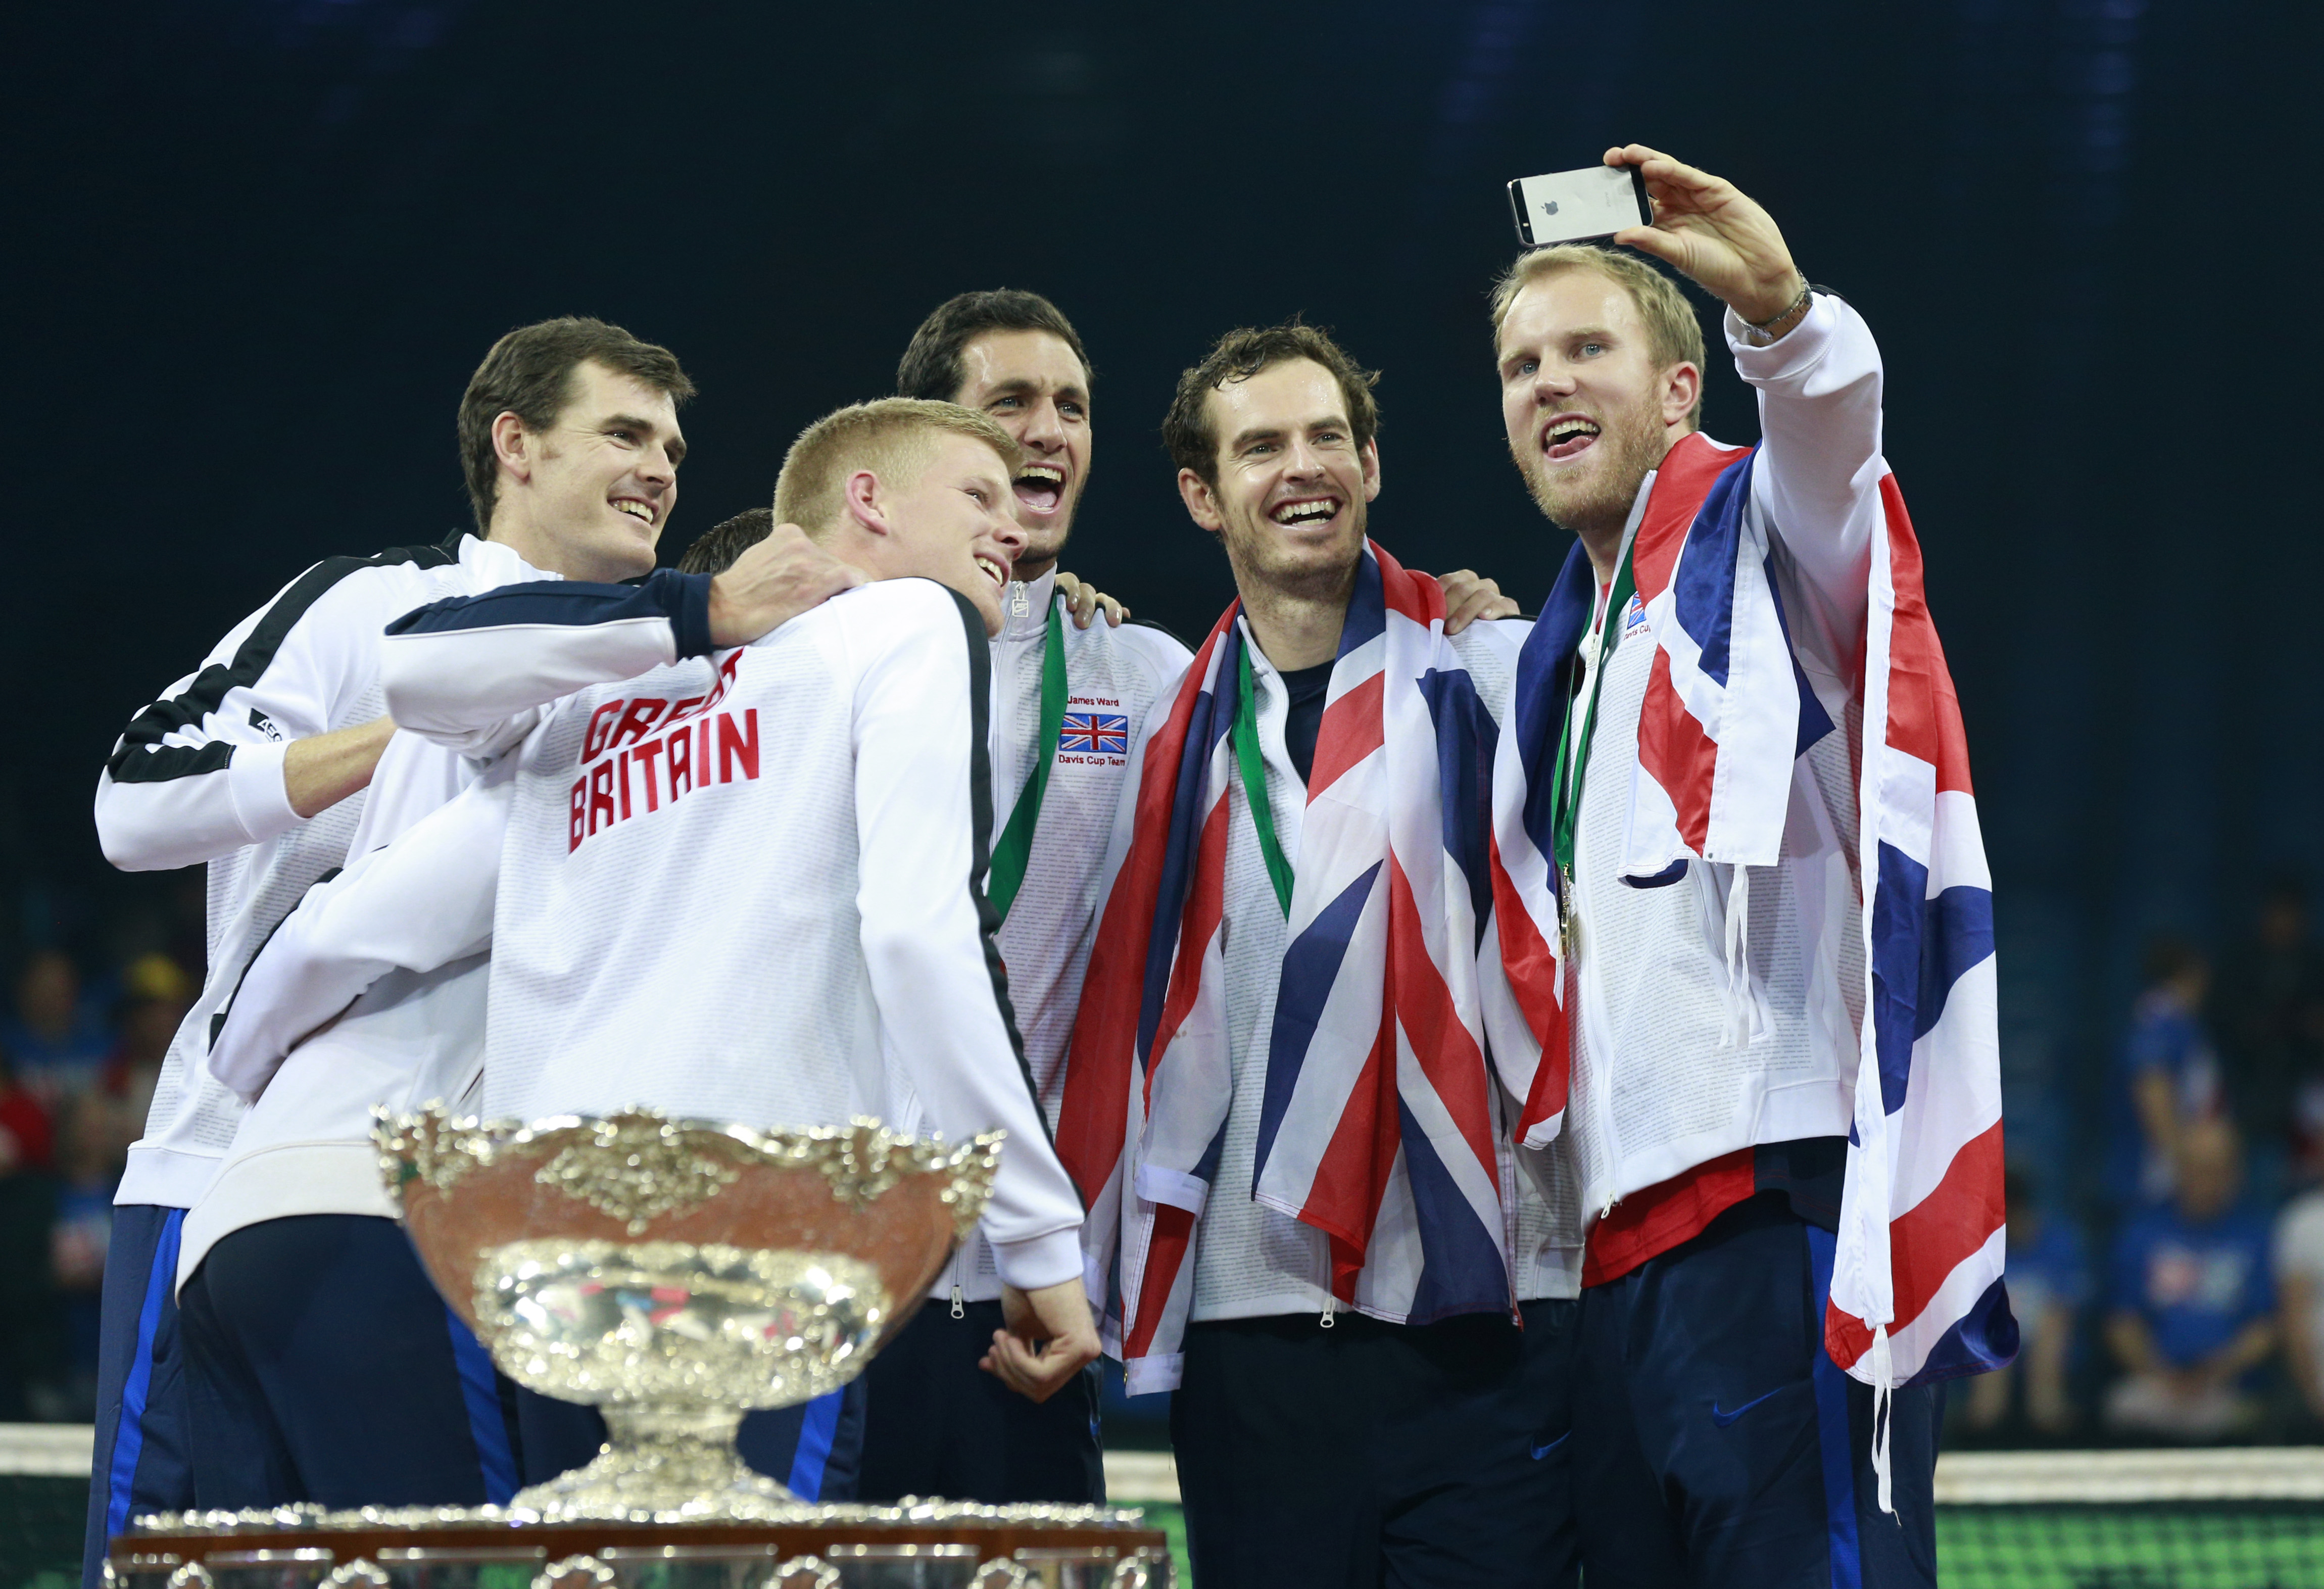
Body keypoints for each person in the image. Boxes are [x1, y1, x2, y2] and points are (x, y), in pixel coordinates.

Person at [208, 397, 1104, 1484]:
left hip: (543, 1260)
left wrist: (235, 1074)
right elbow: (920, 936)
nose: (1012, 529)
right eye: (978, 495)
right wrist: (1038, 1236)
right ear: (866, 501)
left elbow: (360, 905)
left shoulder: (603, 698)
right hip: (754, 1237)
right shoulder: (906, 622)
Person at [86, 316, 727, 1553]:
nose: (661, 466)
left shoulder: (662, 675)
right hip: (224, 1162)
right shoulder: (376, 605)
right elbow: (134, 798)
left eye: (674, 446)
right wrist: (420, 725)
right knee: (164, 1566)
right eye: (625, 432)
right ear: (516, 444)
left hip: (497, 1221)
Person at [1478, 146, 2010, 1587]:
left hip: (1774, 1225)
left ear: (1679, 391)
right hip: (1612, 1258)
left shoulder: (1766, 546)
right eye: (1523, 364)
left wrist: (1781, 309)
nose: (1549, 382)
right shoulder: (1559, 660)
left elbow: (1836, 441)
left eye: (1590, 347)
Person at [1058, 320, 1573, 1589]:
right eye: (1261, 445)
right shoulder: (1157, 729)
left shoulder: (1494, 677)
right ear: (1201, 493)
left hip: (1484, 1311)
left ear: (1372, 464)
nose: (1304, 467)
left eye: (1327, 436)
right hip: (1253, 1333)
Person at [2104, 1116, 2275, 1437]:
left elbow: (2265, 1328)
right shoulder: (2142, 1233)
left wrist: (2216, 1372)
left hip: (2228, 1388)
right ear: (2179, 1170)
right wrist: (2159, 1374)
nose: (2209, 1181)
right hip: (2157, 1382)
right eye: (2198, 1169)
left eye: (2219, 1170)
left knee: (2241, 1417)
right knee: (2124, 1407)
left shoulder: (2255, 1235)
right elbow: (2122, 1323)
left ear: (2236, 1174)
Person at [1962, 1170, 2086, 1437]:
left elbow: (2066, 1308)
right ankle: (1982, 1433)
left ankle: (2049, 1420)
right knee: (1989, 1339)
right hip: (1993, 1340)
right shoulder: (1979, 1249)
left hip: (2045, 1342)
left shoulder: (2058, 1242)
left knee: (2051, 1332)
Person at [2108, 937, 2223, 1208]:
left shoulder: (2178, 1020)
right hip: (2156, 1174)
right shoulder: (2159, 1020)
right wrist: (2183, 1163)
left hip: (2171, 1169)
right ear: (2191, 973)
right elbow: (2153, 1090)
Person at [3, 951, 112, 1104]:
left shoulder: (102, 1048)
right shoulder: (7, 1048)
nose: (51, 998)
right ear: (23, 991)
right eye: (43, 988)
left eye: (59, 989)